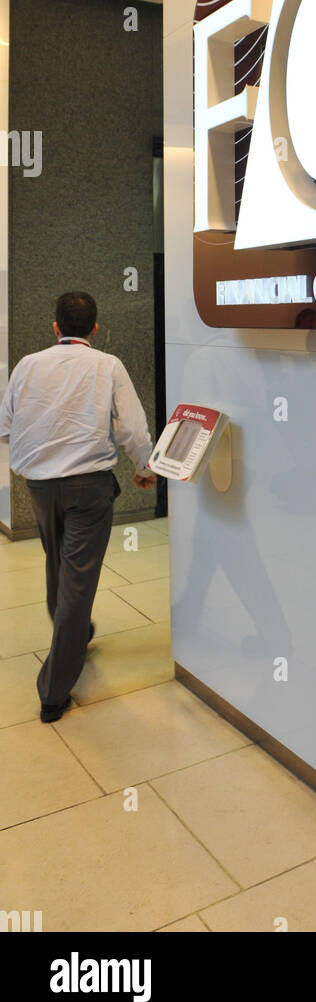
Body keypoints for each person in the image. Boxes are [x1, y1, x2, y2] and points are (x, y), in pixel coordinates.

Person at [0, 291, 155, 722]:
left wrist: (40, 454)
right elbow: (131, 426)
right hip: (89, 487)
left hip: (40, 486)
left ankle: (75, 631)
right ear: (95, 328)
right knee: (78, 581)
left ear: (55, 328)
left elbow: (6, 423)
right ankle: (53, 692)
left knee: (59, 564)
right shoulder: (108, 365)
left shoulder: (28, 364)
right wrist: (144, 465)